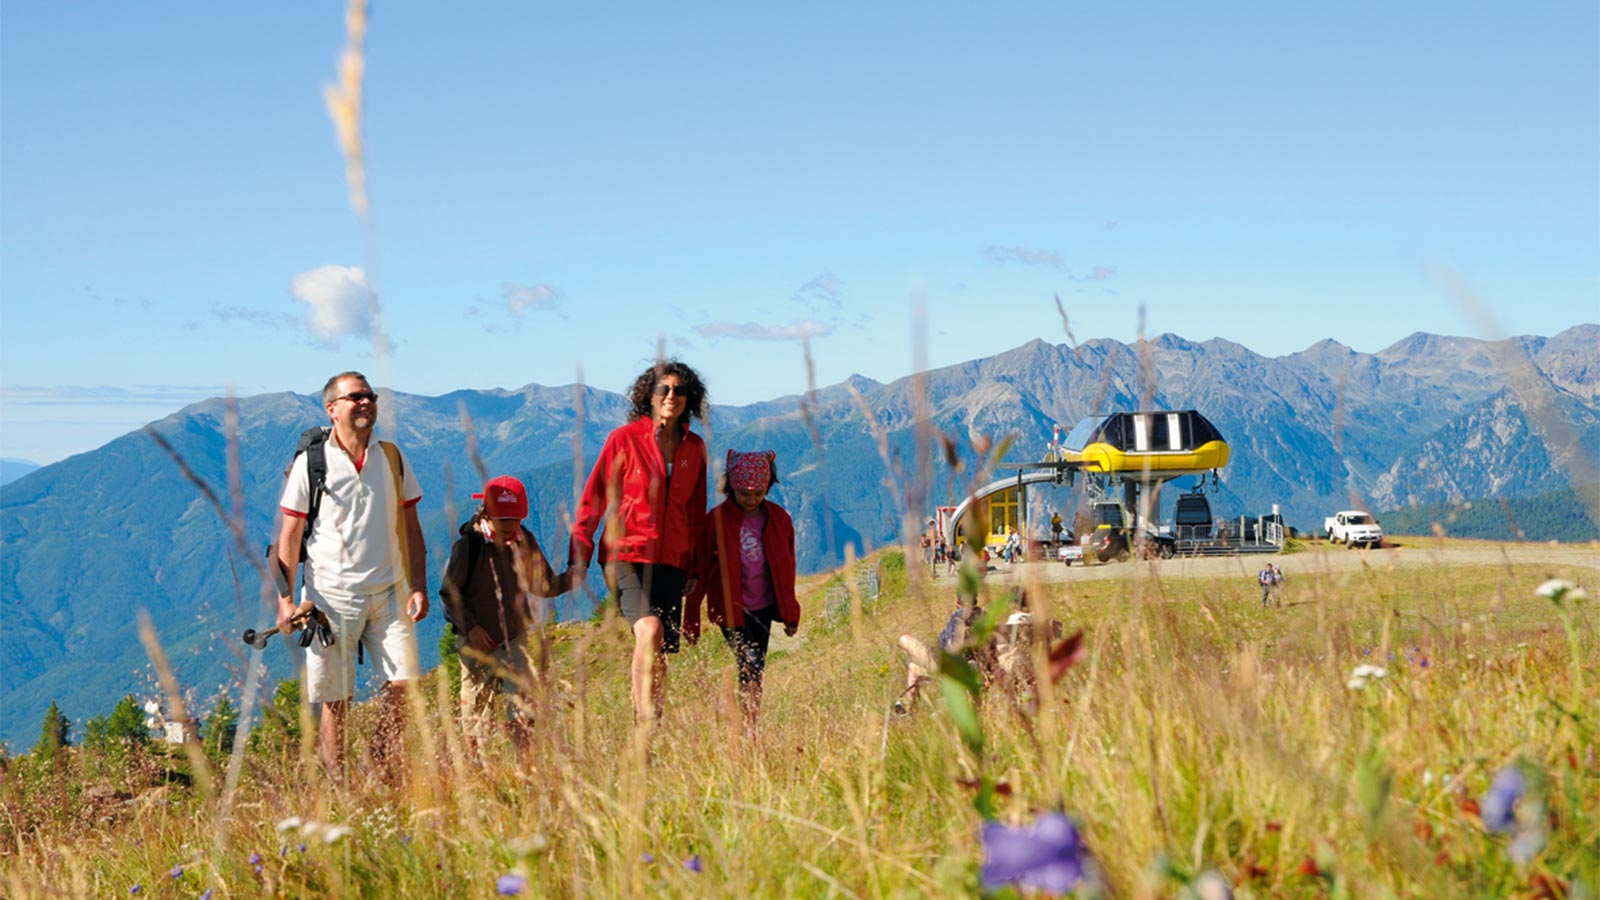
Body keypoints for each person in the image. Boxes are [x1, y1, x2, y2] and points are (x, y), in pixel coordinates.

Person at [275, 371, 428, 782]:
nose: (366, 402)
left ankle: (379, 763)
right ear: (332, 408)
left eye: (370, 396)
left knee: (406, 683)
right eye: (355, 397)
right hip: (329, 596)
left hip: (390, 590)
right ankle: (336, 783)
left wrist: (418, 584)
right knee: (334, 700)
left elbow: (411, 525)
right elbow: (289, 535)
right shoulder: (312, 463)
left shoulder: (392, 457)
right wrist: (285, 599)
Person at [563, 360, 708, 724]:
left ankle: (650, 723)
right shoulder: (624, 440)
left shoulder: (695, 448)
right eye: (664, 389)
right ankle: (643, 722)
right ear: (650, 395)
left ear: (690, 399)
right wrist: (579, 556)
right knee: (650, 629)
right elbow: (593, 498)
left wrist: (693, 565)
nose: (671, 396)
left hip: (672, 561)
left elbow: (696, 511)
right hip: (625, 553)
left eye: (679, 390)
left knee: (659, 651)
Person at [684, 450, 800, 733]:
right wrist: (691, 621)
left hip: (764, 606)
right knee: (749, 662)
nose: (751, 499)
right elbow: (699, 571)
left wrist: (791, 615)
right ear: (731, 487)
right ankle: (746, 728)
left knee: (755, 668)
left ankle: (749, 725)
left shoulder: (779, 519)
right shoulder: (717, 521)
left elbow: (787, 569)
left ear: (768, 487)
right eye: (744, 493)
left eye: (758, 493)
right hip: (730, 609)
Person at [440, 475, 557, 756]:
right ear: (487, 514)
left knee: (522, 707)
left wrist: (576, 573)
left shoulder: (523, 539)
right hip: (475, 644)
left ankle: (524, 766)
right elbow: (448, 594)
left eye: (517, 520)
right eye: (506, 520)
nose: (513, 526)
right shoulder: (468, 546)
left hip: (514, 637)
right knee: (477, 716)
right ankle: (477, 772)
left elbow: (544, 584)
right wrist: (471, 628)